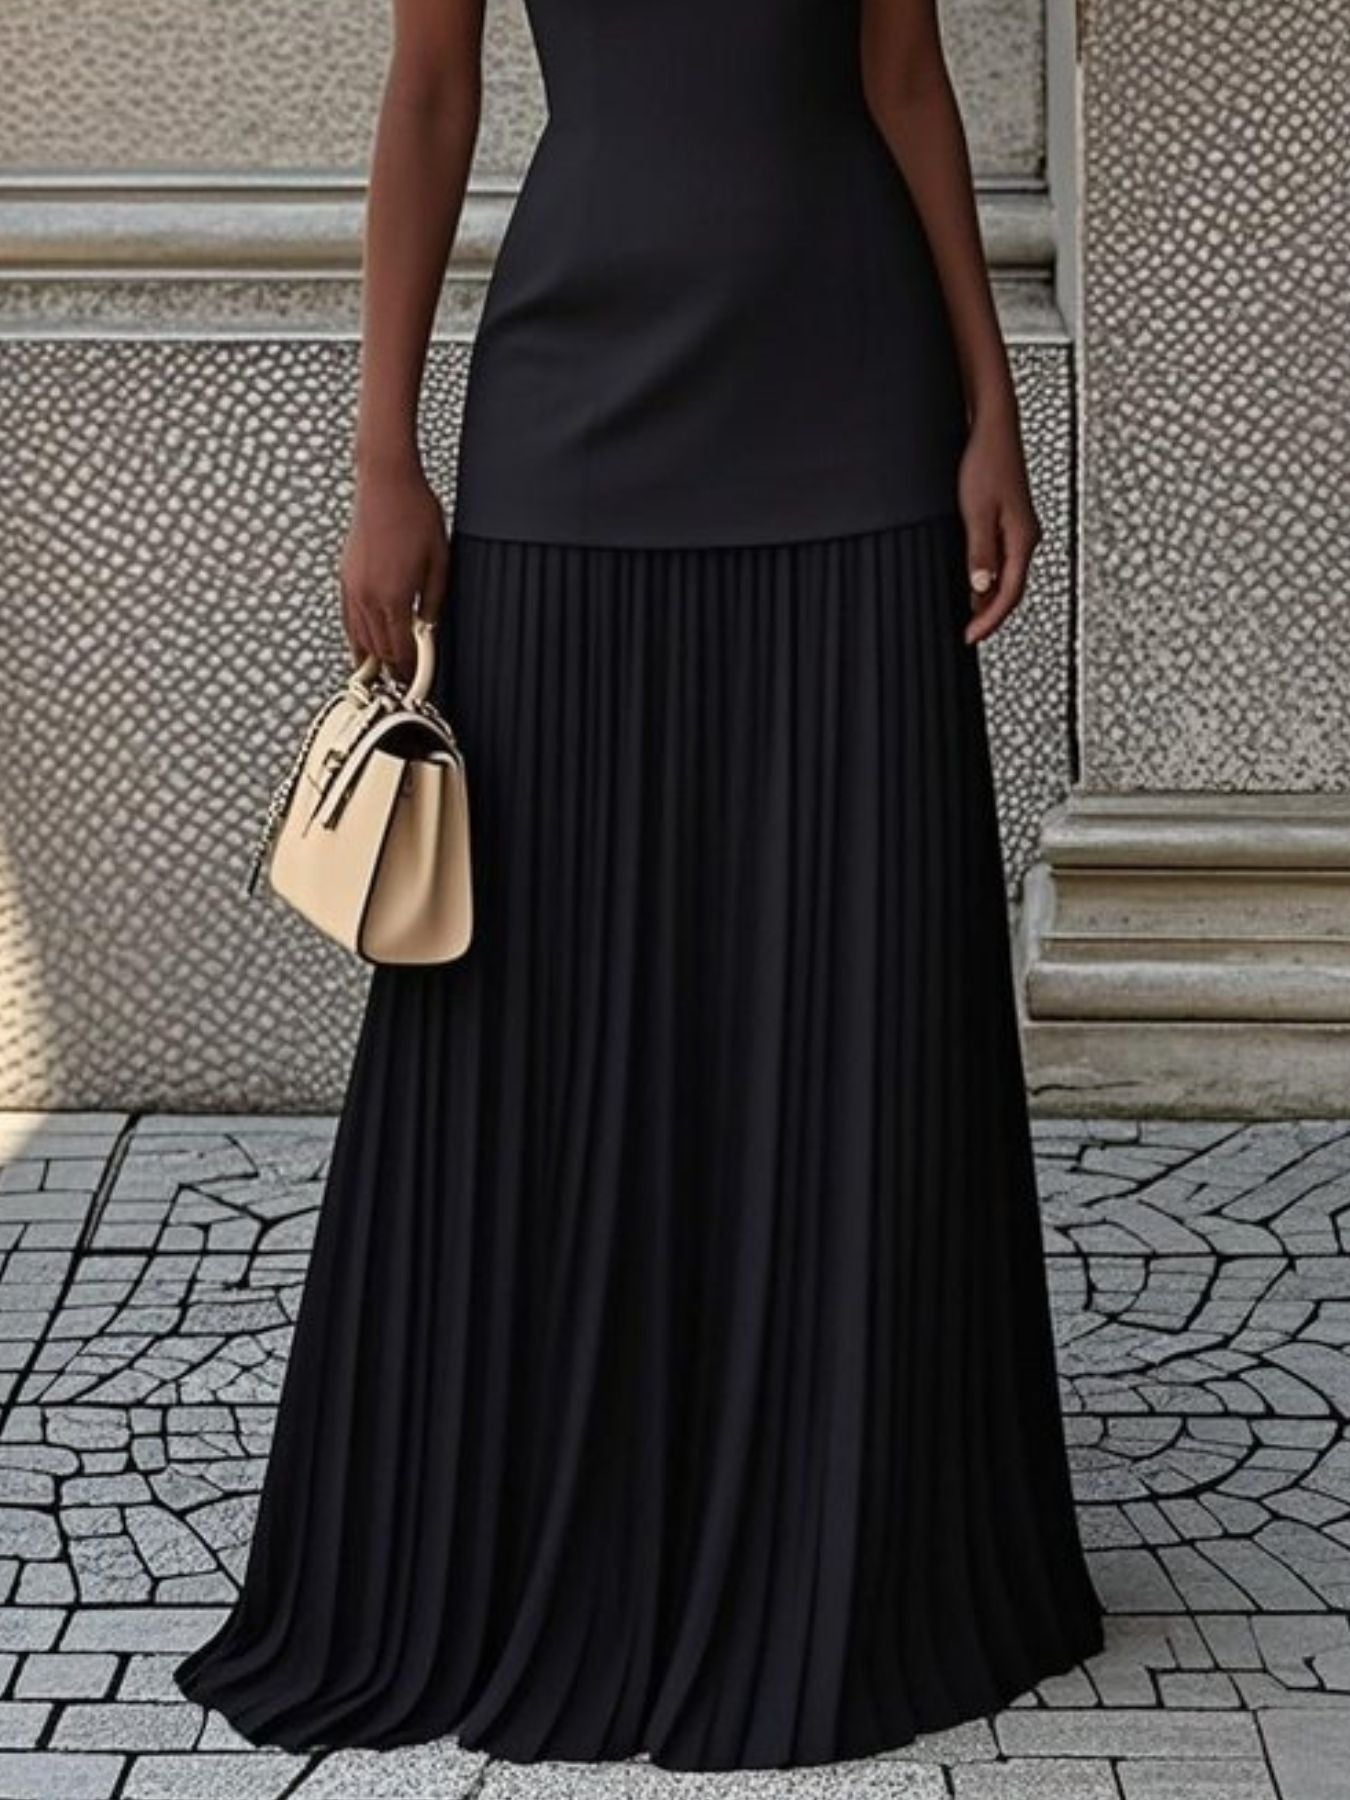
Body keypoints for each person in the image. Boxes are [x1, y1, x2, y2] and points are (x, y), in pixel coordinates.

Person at [174, 0, 1103, 1769]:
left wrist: (989, 408)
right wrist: (383, 455)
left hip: (850, 398)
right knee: (528, 997)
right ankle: (554, 1514)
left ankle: (845, 1531)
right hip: (572, 405)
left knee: (859, 985)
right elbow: (431, 90)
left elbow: (897, 72)